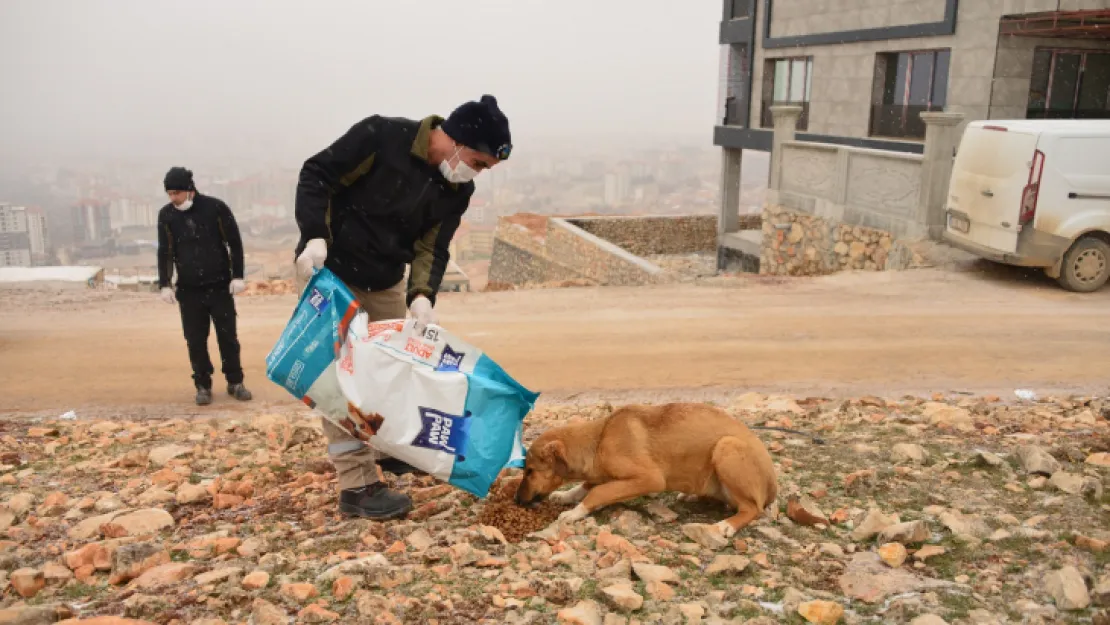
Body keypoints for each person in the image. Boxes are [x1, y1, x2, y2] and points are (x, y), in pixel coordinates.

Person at [293, 95, 511, 520]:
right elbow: (316, 173)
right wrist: (314, 233)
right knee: (341, 380)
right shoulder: (381, 136)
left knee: (393, 368)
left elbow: (433, 245)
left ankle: (390, 448)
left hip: (385, 277)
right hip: (331, 269)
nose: (476, 174)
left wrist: (422, 296)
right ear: (457, 139)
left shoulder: (456, 189)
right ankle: (356, 485)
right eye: (479, 163)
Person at [157, 166, 253, 406]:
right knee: (195, 339)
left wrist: (237, 276)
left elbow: (234, 243)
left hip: (219, 286)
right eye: (169, 194)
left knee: (227, 337)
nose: (173, 198)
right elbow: (165, 251)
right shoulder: (166, 216)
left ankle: (235, 382)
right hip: (189, 290)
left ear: (190, 190)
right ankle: (202, 385)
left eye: (177, 193)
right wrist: (165, 283)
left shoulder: (215, 208)